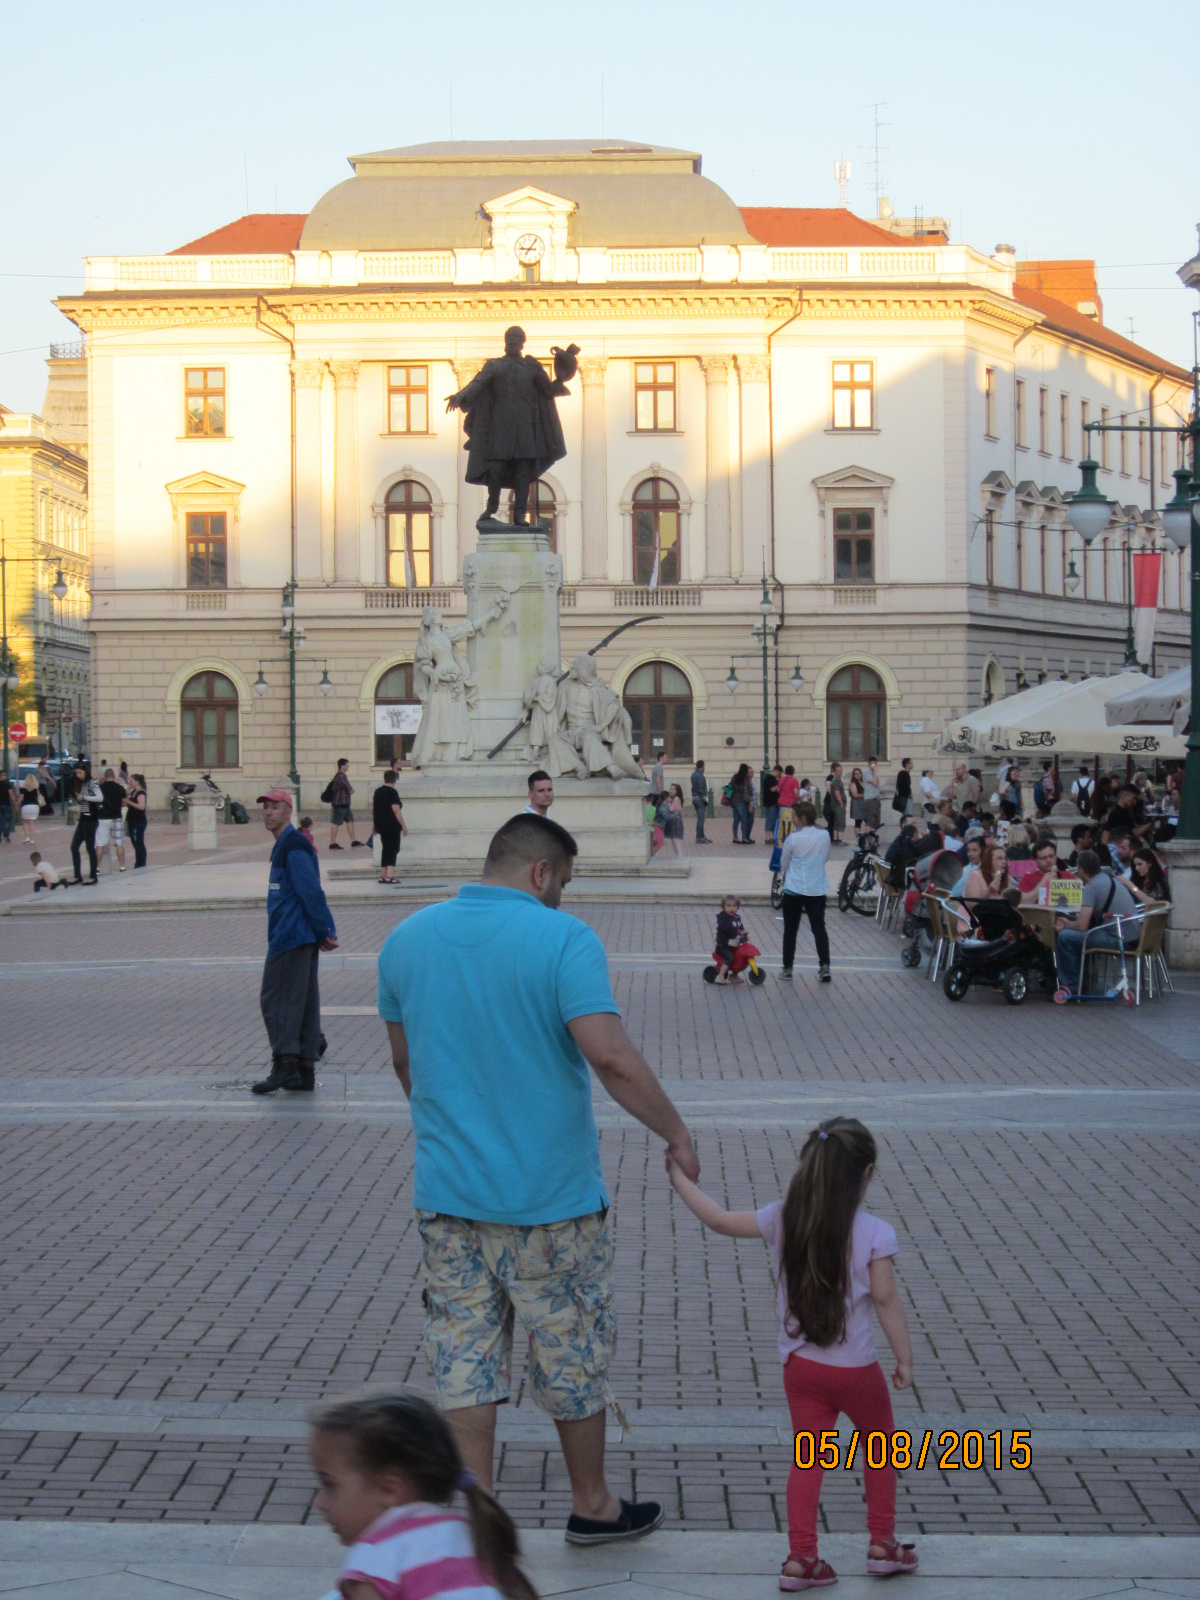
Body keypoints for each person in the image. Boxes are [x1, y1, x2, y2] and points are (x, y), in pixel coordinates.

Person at [377, 813, 698, 1542]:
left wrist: (451, 1131)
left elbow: (407, 1066)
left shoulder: (406, 942)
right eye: (564, 884)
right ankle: (592, 1505)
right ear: (540, 873)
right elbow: (609, 1057)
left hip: (449, 1198)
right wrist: (675, 1133)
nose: (563, 899)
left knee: (463, 1358)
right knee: (571, 1351)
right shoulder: (563, 940)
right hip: (551, 1203)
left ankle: (477, 1517)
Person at [667, 1117, 917, 1591]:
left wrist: (679, 1179)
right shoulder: (875, 1232)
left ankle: (801, 1558)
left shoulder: (784, 1217)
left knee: (810, 1458)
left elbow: (719, 1220)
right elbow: (885, 1298)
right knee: (880, 1449)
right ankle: (883, 1544)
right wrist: (904, 1358)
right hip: (857, 1371)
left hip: (801, 1369)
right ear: (864, 1176)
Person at [309, 1391, 536, 1600]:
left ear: (389, 1489)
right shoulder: (469, 1534)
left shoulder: (376, 1556)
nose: (320, 1503)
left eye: (330, 1485)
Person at [251, 788, 338, 1096]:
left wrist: (323, 929)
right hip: (295, 934)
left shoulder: (293, 845)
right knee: (302, 1001)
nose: (268, 813)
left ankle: (286, 1064)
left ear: (289, 812)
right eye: (266, 808)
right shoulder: (286, 845)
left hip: (291, 936)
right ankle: (303, 1070)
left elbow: (311, 891)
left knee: (277, 1000)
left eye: (275, 807)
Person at [444, 324, 571, 526]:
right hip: (500, 426)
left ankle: (519, 515)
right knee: (495, 468)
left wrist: (565, 371)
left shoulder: (531, 367)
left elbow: (547, 390)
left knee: (523, 472)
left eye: (516, 337)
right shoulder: (494, 365)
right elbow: (477, 384)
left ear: (522, 342)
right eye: (509, 337)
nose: (512, 340)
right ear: (505, 341)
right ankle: (491, 506)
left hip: (526, 427)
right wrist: (459, 396)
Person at [1053, 850, 1140, 1001]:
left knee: (1066, 937)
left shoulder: (1092, 887)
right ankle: (1084, 982)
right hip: (1132, 937)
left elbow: (1082, 926)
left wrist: (1067, 925)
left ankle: (1072, 986)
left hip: (1118, 940)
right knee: (1078, 938)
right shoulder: (1108, 879)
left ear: (1080, 869)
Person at [778, 801, 832, 984]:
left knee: (790, 931)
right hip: (817, 888)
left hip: (794, 888)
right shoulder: (824, 835)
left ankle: (787, 968)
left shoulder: (793, 839)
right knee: (819, 928)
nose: (792, 820)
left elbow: (784, 864)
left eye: (794, 816)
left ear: (802, 818)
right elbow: (825, 857)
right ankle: (825, 966)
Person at [372, 770, 407, 885]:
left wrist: (374, 826)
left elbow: (375, 811)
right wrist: (403, 824)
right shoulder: (392, 792)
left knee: (385, 849)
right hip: (392, 825)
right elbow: (396, 810)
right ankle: (389, 876)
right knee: (393, 849)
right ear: (395, 779)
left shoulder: (378, 791)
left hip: (381, 825)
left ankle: (382, 875)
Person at [69, 763, 101, 884]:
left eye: (80, 773)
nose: (78, 775)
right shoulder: (80, 784)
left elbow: (100, 797)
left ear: (86, 772)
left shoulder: (92, 783)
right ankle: (77, 875)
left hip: (91, 819)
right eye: (76, 773)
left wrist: (85, 797)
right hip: (83, 818)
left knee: (90, 848)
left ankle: (93, 876)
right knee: (74, 846)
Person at [96, 767, 128, 872]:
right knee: (119, 843)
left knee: (99, 844)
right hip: (116, 817)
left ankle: (97, 868)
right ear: (114, 777)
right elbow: (124, 803)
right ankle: (122, 866)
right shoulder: (120, 788)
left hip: (103, 818)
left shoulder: (100, 788)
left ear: (105, 777)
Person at [714, 894, 750, 985]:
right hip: (723, 946)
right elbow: (728, 928)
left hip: (733, 945)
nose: (732, 908)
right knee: (730, 958)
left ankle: (734, 976)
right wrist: (739, 932)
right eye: (729, 906)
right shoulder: (723, 918)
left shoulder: (737, 918)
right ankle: (720, 976)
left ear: (738, 907)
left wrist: (743, 933)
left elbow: (740, 927)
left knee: (740, 957)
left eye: (734, 906)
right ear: (724, 907)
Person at [328, 759, 363, 851]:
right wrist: (352, 790)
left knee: (350, 821)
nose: (348, 767)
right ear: (342, 766)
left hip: (345, 804)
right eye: (347, 765)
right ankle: (332, 843)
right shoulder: (341, 777)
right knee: (336, 823)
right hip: (340, 804)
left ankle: (353, 842)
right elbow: (350, 789)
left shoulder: (338, 776)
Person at [1020, 837, 1064, 903]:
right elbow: (1023, 902)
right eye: (1043, 858)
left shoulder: (1068, 876)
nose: (1049, 860)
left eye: (1051, 856)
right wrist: (1043, 884)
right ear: (1035, 861)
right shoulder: (1027, 879)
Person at [125, 773, 148, 868]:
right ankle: (138, 862)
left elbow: (141, 807)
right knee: (135, 842)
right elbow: (124, 798)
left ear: (137, 781)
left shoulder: (141, 793)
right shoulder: (133, 792)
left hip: (138, 821)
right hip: (131, 820)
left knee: (138, 842)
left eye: (131, 781)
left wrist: (129, 802)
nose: (130, 783)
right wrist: (128, 790)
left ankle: (141, 862)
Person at [658, 782, 685, 858]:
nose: (671, 791)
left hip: (675, 820)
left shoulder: (676, 799)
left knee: (675, 838)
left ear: (677, 791)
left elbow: (674, 809)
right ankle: (677, 854)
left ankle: (679, 855)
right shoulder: (673, 799)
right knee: (673, 838)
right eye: (670, 789)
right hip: (673, 819)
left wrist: (668, 806)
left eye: (673, 789)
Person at [729, 763, 755, 844]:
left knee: (736, 820)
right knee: (744, 819)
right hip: (742, 802)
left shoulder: (735, 777)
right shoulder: (745, 779)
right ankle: (744, 838)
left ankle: (735, 837)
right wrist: (749, 804)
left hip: (734, 801)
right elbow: (747, 793)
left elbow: (729, 787)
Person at [824, 763, 847, 844]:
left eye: (841, 771)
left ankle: (838, 839)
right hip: (837, 805)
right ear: (835, 771)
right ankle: (839, 840)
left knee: (837, 822)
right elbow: (836, 792)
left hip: (835, 804)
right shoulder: (835, 780)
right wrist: (841, 802)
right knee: (840, 821)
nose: (840, 772)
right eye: (839, 771)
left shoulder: (837, 780)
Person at [690, 759, 711, 844]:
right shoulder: (701, 776)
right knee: (701, 820)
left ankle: (701, 836)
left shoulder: (693, 775)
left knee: (699, 819)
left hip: (694, 798)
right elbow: (701, 789)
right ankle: (700, 838)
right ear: (702, 766)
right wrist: (705, 799)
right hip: (699, 799)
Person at [861, 756, 883, 832]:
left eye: (875, 763)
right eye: (872, 763)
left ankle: (873, 839)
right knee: (870, 821)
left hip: (876, 798)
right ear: (868, 764)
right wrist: (875, 771)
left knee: (876, 821)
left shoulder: (874, 773)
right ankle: (868, 839)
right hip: (870, 799)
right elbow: (874, 782)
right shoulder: (866, 773)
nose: (873, 765)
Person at [763, 764, 782, 846]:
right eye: (779, 773)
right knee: (770, 819)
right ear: (776, 771)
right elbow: (772, 789)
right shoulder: (770, 778)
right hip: (771, 802)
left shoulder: (771, 778)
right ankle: (768, 837)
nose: (779, 775)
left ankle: (771, 837)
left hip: (771, 802)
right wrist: (779, 785)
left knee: (772, 819)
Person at [19, 773, 41, 843]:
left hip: (26, 806)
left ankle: (27, 837)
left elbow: (21, 798)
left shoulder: (23, 789)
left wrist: (17, 804)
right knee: (32, 823)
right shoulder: (36, 789)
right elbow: (38, 798)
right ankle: (32, 839)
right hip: (35, 806)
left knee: (25, 822)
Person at [847, 767, 865, 840]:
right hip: (857, 804)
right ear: (853, 775)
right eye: (856, 774)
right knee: (858, 822)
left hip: (864, 804)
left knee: (868, 821)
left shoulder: (863, 782)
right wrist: (866, 795)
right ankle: (859, 839)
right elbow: (855, 795)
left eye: (859, 773)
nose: (858, 775)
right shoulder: (853, 783)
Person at [0, 770, 12, 843]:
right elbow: (11, 794)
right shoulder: (7, 784)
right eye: (4, 775)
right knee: (7, 820)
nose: (5, 776)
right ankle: (6, 836)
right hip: (5, 804)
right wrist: (15, 802)